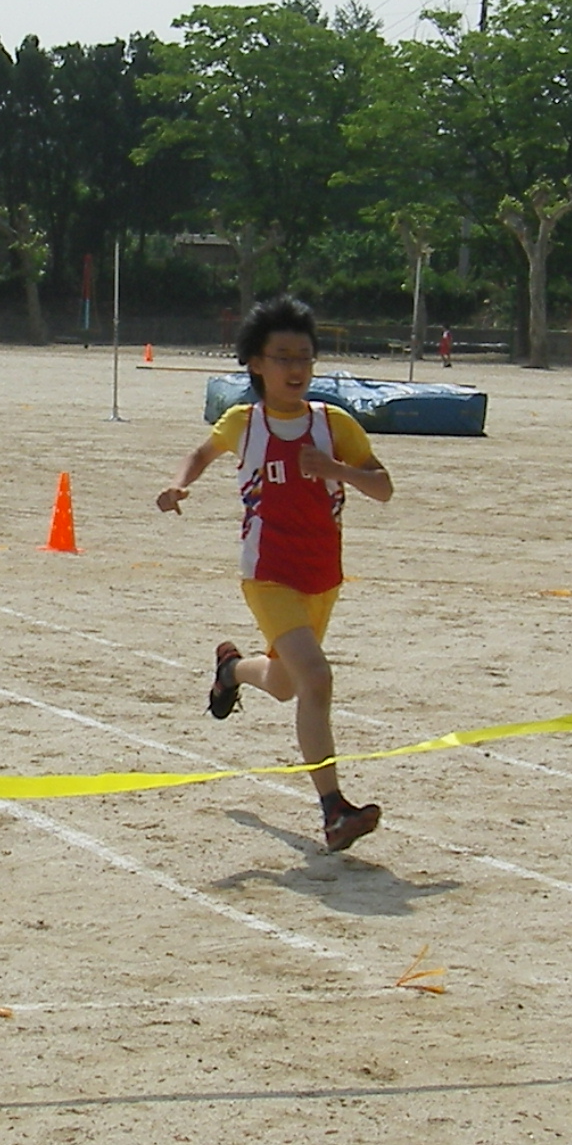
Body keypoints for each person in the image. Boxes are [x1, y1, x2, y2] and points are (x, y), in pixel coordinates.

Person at [156, 297, 396, 854]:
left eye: (305, 358)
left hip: (323, 576)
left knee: (288, 685)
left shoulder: (334, 425)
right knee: (317, 678)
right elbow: (201, 452)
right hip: (267, 574)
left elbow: (383, 488)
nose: (294, 368)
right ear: (256, 365)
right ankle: (334, 809)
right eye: (282, 356)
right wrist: (178, 484)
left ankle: (232, 669)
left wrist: (336, 470)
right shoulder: (245, 422)